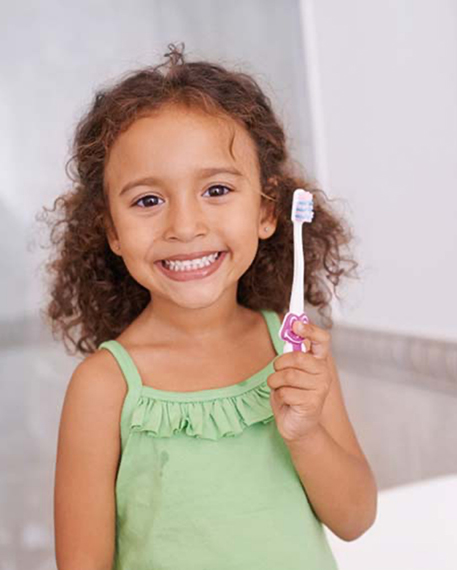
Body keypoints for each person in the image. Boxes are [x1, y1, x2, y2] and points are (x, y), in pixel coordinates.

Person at [41, 42, 377, 570]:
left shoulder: (294, 351)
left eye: (216, 189)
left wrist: (306, 432)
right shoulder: (104, 388)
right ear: (112, 231)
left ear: (267, 212)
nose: (184, 226)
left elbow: (355, 518)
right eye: (148, 201)